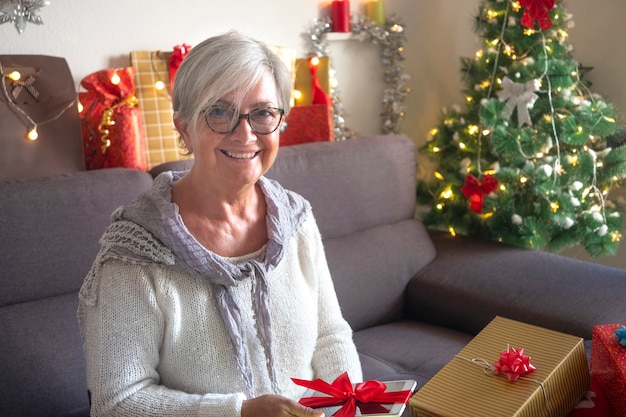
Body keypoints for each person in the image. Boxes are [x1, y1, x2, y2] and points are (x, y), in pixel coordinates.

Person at [77, 30, 362, 417]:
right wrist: (239, 412)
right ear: (184, 129)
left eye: (262, 112)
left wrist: (353, 410)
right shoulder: (135, 254)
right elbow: (117, 403)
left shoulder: (296, 219)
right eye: (219, 111)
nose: (245, 134)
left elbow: (330, 337)